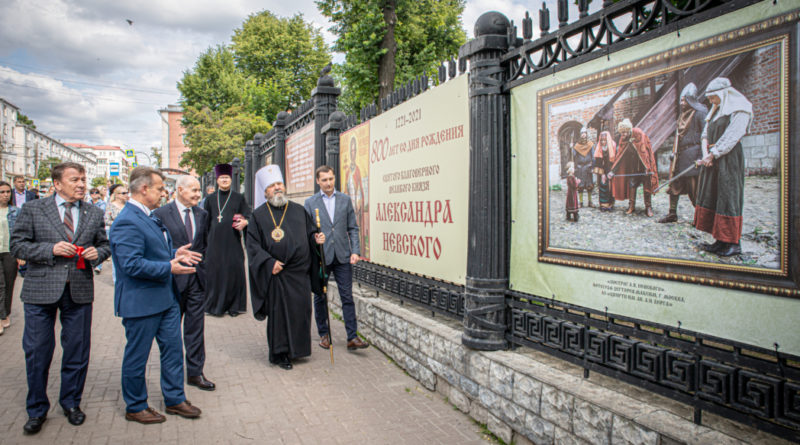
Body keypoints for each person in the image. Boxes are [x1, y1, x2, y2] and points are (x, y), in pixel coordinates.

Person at [9, 162, 110, 434]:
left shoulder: (91, 212)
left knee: (77, 350)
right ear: (57, 184)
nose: (81, 184)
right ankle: (37, 409)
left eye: (83, 179)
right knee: (38, 351)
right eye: (75, 180)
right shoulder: (33, 209)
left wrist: (96, 254)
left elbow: (104, 244)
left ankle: (71, 403)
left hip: (78, 290)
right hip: (40, 290)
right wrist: (50, 249)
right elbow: (17, 245)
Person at [109, 167, 203, 424]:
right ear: (144, 189)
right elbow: (131, 265)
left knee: (173, 351)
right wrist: (168, 267)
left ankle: (175, 399)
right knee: (137, 356)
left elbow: (152, 250)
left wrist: (175, 254)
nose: (164, 193)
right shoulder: (127, 220)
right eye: (160, 188)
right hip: (141, 302)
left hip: (165, 299)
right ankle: (136, 405)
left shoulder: (148, 216)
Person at [246, 165, 324, 370]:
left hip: (299, 274)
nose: (277, 188)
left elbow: (310, 235)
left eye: (280, 184)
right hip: (277, 274)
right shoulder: (258, 216)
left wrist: (317, 239)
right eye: (272, 186)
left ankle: (298, 350)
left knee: (301, 312)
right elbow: (252, 246)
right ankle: (280, 353)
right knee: (279, 315)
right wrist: (269, 263)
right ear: (265, 191)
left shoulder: (299, 210)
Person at [153, 175, 215, 391]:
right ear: (179, 190)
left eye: (199, 190)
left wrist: (203, 269)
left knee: (196, 329)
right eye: (194, 190)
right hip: (172, 282)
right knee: (171, 332)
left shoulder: (202, 214)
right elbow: (155, 247)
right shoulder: (160, 214)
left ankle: (196, 373)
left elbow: (204, 244)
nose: (198, 194)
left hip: (196, 281)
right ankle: (173, 375)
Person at [304, 166, 369, 351]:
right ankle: (324, 334)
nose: (328, 183)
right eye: (324, 180)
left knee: (347, 296)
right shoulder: (310, 203)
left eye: (331, 179)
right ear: (318, 181)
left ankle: (352, 337)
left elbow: (353, 228)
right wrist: (314, 239)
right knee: (320, 296)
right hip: (322, 256)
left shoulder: (345, 200)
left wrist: (355, 250)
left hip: (342, 256)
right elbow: (306, 231)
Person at [693, 77, 752, 257]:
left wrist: (715, 153)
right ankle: (720, 240)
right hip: (713, 160)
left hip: (729, 159)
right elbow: (705, 134)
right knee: (715, 196)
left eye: (713, 98)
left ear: (723, 94)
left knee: (728, 197)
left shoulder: (740, 109)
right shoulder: (715, 111)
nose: (711, 102)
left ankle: (733, 243)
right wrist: (705, 155)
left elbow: (732, 136)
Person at [204, 163, 250, 317]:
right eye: (222, 178)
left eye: (227, 178)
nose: (224, 180)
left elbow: (248, 216)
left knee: (233, 273)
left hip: (232, 242)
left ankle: (234, 307)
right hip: (214, 243)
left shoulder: (239, 197)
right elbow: (205, 221)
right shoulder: (210, 199)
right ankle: (215, 305)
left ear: (231, 180)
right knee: (215, 273)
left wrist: (245, 223)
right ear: (217, 180)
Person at [659, 83, 708, 223]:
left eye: (684, 100)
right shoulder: (682, 115)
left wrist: (701, 157)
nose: (681, 103)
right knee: (674, 186)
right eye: (681, 100)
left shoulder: (700, 112)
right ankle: (672, 213)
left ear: (691, 99)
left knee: (695, 190)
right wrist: (674, 153)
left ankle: (701, 217)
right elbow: (678, 137)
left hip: (694, 157)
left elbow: (706, 136)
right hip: (680, 157)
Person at [608, 119, 658, 216]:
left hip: (644, 165)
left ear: (629, 130)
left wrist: (647, 168)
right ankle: (631, 206)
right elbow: (620, 156)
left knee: (646, 186)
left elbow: (644, 152)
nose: (623, 134)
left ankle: (648, 207)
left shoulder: (638, 133)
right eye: (622, 133)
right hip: (633, 166)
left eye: (625, 132)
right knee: (632, 184)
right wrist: (613, 171)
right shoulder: (623, 138)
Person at [0, 181, 21, 335]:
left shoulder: (15, 211)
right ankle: (1, 316)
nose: (5, 195)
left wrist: (21, 254)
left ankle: (6, 312)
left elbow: (20, 234)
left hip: (9, 252)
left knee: (8, 283)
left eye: (8, 192)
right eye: (2, 192)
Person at [345, 137, 368, 255]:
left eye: (355, 150)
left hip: (357, 209)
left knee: (356, 230)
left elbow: (361, 189)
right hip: (350, 208)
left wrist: (359, 200)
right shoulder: (348, 171)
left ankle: (357, 251)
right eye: (351, 151)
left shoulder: (358, 169)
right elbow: (346, 190)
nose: (353, 153)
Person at [105, 184, 129, 282]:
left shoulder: (128, 205)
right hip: (116, 234)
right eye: (123, 193)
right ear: (117, 195)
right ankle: (116, 280)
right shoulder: (111, 205)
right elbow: (106, 220)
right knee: (116, 257)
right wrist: (117, 223)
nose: (126, 195)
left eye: (127, 192)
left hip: (128, 233)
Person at [592, 131, 617, 211]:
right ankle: (603, 204)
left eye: (604, 140)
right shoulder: (599, 148)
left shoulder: (613, 146)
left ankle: (610, 204)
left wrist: (612, 171)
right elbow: (598, 161)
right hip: (602, 170)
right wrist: (602, 174)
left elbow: (615, 160)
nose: (603, 142)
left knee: (610, 187)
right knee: (603, 186)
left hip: (610, 170)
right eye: (601, 140)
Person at [571, 127, 595, 208]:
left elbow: (593, 156)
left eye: (585, 133)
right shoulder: (577, 145)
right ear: (580, 134)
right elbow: (574, 156)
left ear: (586, 134)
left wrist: (593, 166)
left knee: (589, 185)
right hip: (580, 167)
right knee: (580, 186)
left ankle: (590, 201)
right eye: (582, 133)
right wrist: (572, 148)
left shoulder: (590, 144)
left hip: (588, 166)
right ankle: (580, 202)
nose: (583, 134)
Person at [88, 188, 107, 274]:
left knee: (99, 246)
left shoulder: (102, 203)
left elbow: (100, 213)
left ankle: (98, 266)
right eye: (92, 193)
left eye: (96, 193)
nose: (94, 194)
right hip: (89, 226)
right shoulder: (88, 203)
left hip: (99, 226)